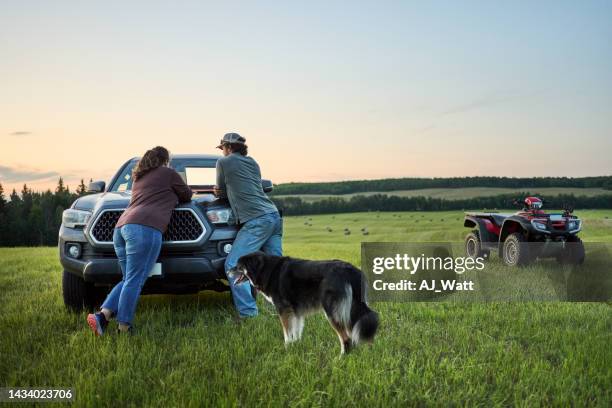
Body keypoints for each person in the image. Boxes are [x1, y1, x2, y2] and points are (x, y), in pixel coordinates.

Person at [87, 146, 192, 335]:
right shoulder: (168, 173)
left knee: (129, 278)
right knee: (135, 280)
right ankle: (124, 327)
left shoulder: (139, 178)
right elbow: (187, 195)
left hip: (121, 229)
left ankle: (102, 316)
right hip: (145, 229)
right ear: (165, 160)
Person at [214, 133, 283, 318]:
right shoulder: (253, 162)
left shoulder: (223, 162)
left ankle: (248, 314)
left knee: (234, 264)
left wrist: (219, 192)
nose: (223, 152)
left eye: (223, 148)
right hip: (273, 216)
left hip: (256, 220)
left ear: (227, 147)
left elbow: (220, 192)